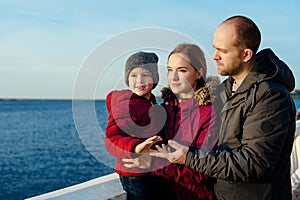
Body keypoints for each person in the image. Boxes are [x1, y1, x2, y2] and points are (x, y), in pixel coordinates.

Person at [150, 15, 296, 200]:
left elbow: (256, 164)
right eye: (214, 48)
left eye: (222, 51)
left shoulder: (270, 96)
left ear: (245, 55)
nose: (214, 56)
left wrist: (189, 158)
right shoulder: (225, 90)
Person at [124, 43, 220, 199]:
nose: (173, 77)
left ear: (198, 73)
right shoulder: (165, 109)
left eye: (182, 70)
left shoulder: (209, 113)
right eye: (170, 70)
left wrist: (152, 164)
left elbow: (205, 172)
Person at [104, 51, 170, 200]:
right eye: (133, 75)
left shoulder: (152, 103)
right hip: (135, 174)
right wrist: (135, 147)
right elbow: (113, 137)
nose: (139, 80)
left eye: (145, 74)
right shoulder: (125, 104)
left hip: (152, 170)